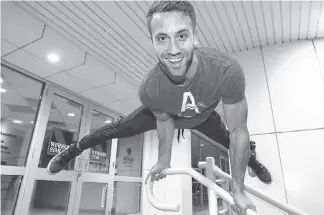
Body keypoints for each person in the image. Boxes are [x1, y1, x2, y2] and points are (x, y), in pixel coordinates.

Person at [47, 1, 272, 214]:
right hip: (167, 111)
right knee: (116, 128)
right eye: (162, 38)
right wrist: (164, 159)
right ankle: (74, 149)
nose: (173, 49)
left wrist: (238, 191)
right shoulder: (151, 88)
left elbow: (238, 131)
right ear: (153, 42)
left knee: (229, 138)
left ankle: (254, 162)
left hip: (202, 116)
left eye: (181, 36)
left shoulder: (226, 70)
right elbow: (164, 121)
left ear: (195, 37)